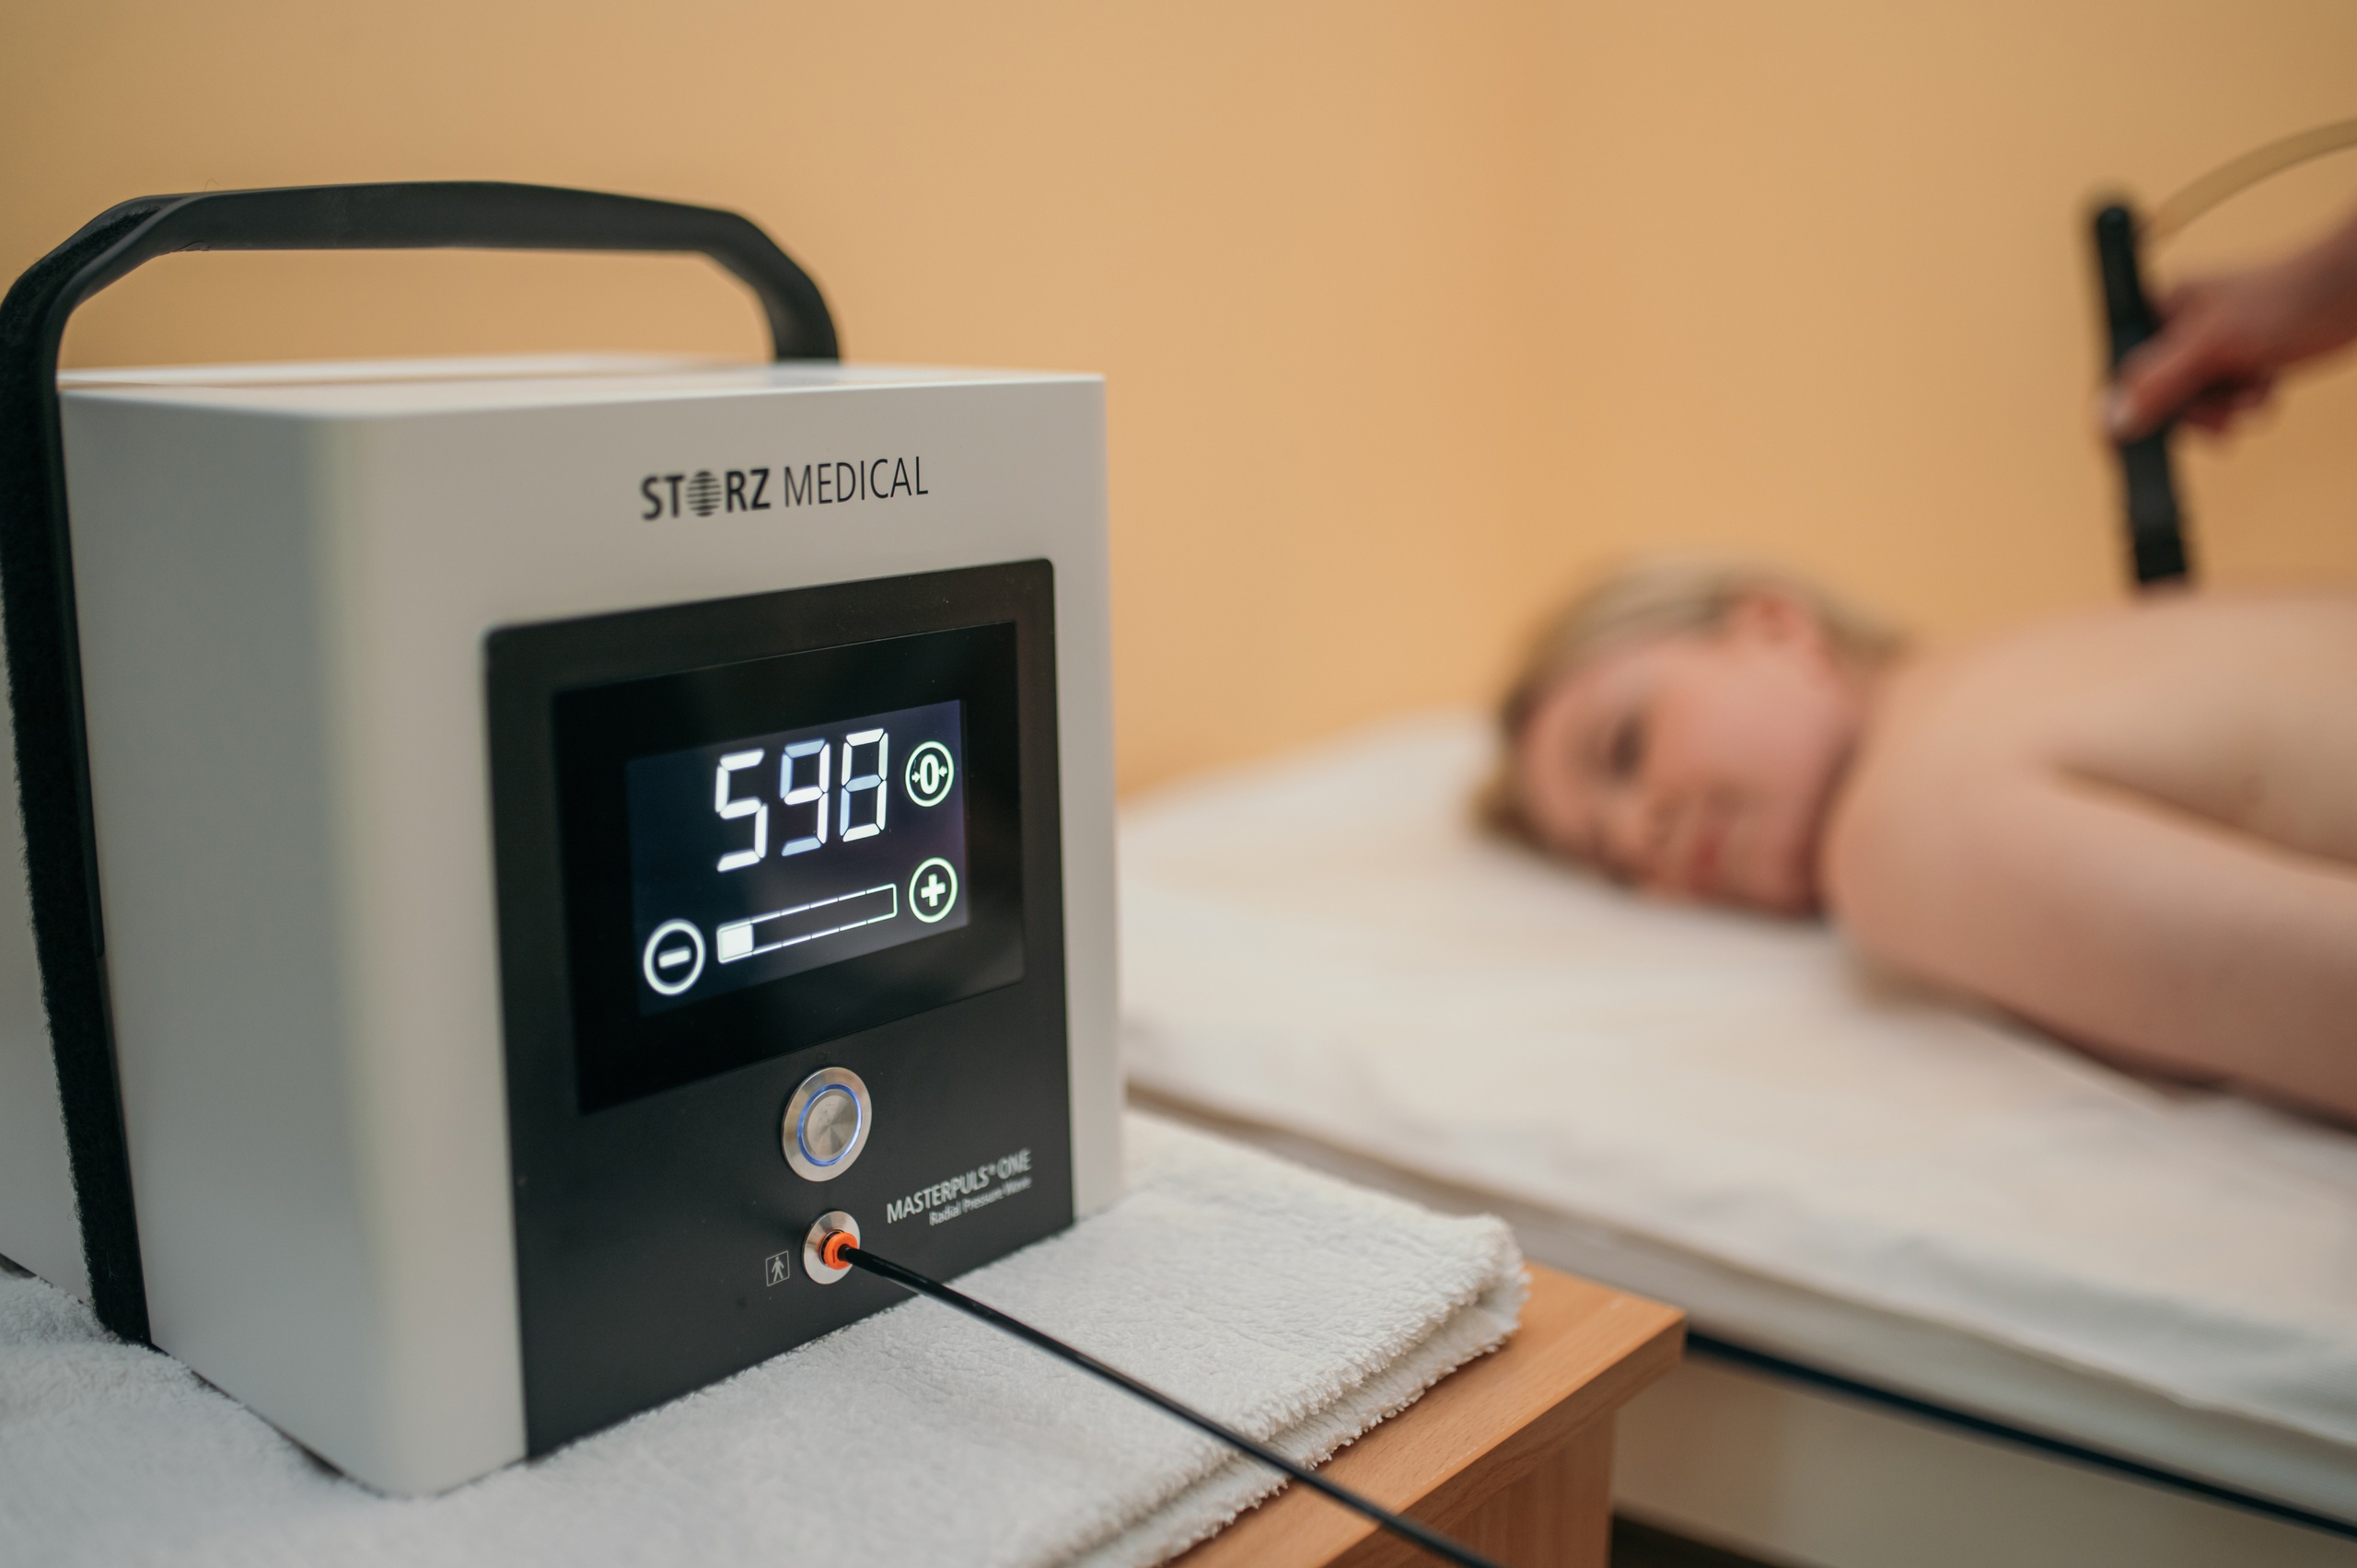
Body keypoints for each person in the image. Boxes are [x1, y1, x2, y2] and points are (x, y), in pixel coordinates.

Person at [1481, 562, 2357, 1124]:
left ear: (1777, 628)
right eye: (1614, 867)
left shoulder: (1897, 827)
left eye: (1624, 747)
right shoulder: (2038, 660)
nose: (1641, 832)